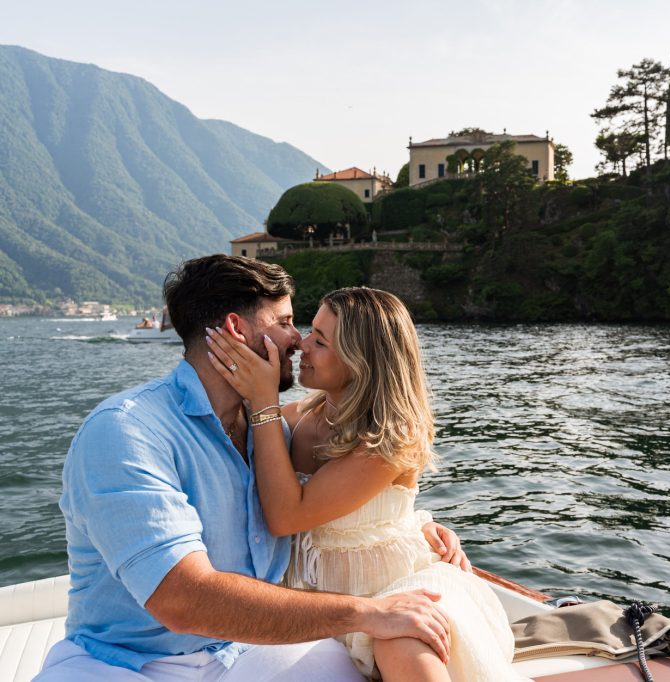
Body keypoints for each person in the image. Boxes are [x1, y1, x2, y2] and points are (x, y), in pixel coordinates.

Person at [37, 255, 467, 682]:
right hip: (124, 662)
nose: (297, 340)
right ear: (236, 330)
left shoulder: (273, 432)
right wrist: (367, 613)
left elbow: (335, 503)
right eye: (285, 321)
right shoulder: (126, 431)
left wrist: (418, 529)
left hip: (245, 650)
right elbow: (183, 601)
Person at [205, 287, 524, 682]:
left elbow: (287, 517)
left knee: (403, 643)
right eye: (311, 331)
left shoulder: (392, 436)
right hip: (319, 603)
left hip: (397, 587)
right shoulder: (293, 419)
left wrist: (263, 403)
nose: (302, 343)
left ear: (361, 362)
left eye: (320, 341)